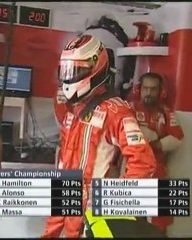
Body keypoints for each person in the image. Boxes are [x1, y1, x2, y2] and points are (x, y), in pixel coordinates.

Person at [42, 34, 157, 238]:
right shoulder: (75, 111)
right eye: (66, 71)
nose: (70, 77)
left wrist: (111, 204)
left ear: (96, 68)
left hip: (97, 220)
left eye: (77, 71)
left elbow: (143, 163)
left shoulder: (116, 111)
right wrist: (49, 233)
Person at [130, 72, 184, 234]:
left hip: (158, 171)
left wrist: (153, 143)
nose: (148, 93)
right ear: (139, 90)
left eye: (153, 89)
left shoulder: (166, 112)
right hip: (130, 171)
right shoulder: (127, 109)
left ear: (161, 91)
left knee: (161, 225)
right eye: (145, 88)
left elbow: (177, 138)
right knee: (127, 223)